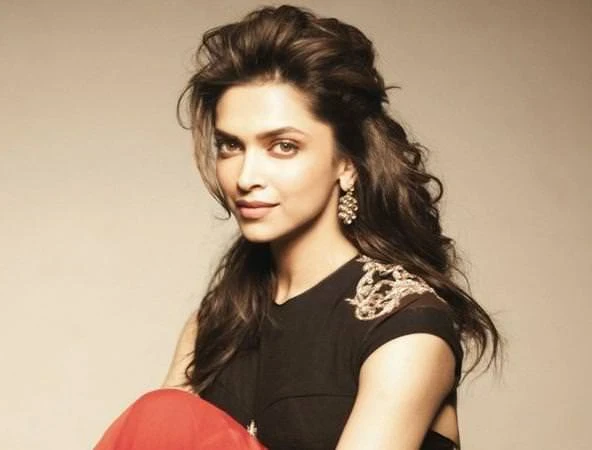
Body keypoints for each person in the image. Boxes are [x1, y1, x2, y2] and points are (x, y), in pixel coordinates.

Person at [95, 5, 501, 450]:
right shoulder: (218, 319)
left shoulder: (404, 323)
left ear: (347, 163)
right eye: (230, 146)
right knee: (163, 412)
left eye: (283, 146)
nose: (246, 176)